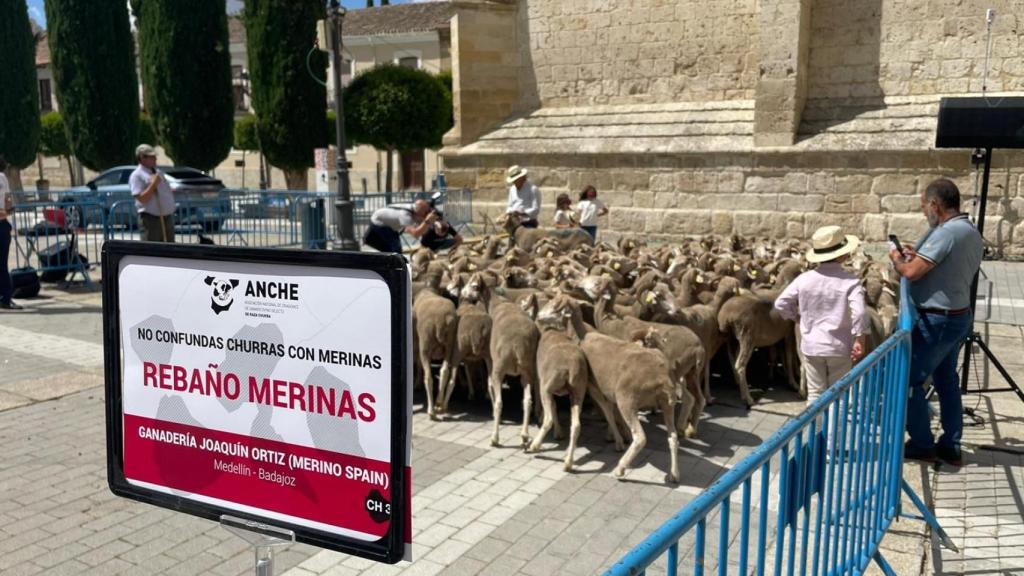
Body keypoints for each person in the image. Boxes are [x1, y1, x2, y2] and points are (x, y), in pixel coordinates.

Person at [890, 178, 983, 467]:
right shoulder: (969, 230)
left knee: (908, 380)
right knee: (946, 381)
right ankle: (950, 446)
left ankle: (921, 444)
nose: (923, 213)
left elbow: (912, 273)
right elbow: (939, 266)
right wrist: (915, 255)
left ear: (935, 205)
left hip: (938, 321)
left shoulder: (946, 233)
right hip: (958, 316)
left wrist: (897, 258)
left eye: (924, 207)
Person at [775, 225, 868, 407]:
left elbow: (780, 303)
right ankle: (834, 436)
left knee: (815, 394)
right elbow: (860, 312)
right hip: (839, 347)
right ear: (842, 255)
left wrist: (797, 317)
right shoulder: (851, 281)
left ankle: (815, 435)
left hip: (811, 346)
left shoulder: (804, 279)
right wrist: (860, 339)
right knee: (838, 397)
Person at [129, 144, 175, 242]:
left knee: (170, 250)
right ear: (142, 158)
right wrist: (153, 184)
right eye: (152, 157)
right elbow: (142, 199)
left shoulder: (158, 172)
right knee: (153, 251)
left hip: (166, 216)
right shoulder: (137, 175)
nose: (155, 159)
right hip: (151, 219)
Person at [364, 199, 437, 254]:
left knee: (391, 248)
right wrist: (427, 221)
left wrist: (428, 222)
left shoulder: (414, 210)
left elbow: (423, 230)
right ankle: (395, 267)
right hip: (379, 222)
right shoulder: (405, 216)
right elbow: (416, 234)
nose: (426, 215)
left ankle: (392, 263)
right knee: (395, 247)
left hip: (386, 221)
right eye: (425, 213)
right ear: (419, 212)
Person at [0, 156, 22, 310]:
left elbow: (7, 198)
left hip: (2, 224)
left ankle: (5, 298)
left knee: (2, 263)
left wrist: (8, 210)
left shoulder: (2, 177)